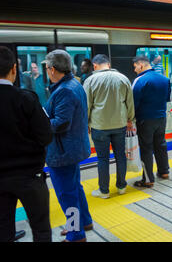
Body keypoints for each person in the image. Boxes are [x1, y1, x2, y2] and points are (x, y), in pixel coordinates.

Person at [0, 46, 53, 242]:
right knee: (40, 228)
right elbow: (46, 136)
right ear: (14, 69)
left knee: (3, 228)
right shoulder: (26, 98)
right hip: (29, 176)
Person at [43, 49, 93, 242]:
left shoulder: (65, 90)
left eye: (47, 68)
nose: (47, 72)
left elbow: (61, 123)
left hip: (63, 153)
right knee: (75, 189)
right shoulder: (74, 84)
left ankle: (75, 234)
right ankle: (85, 221)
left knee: (67, 195)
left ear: (53, 69)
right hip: (71, 149)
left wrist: (39, 121)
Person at [83, 54, 135, 198]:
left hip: (99, 127)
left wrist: (85, 123)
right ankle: (122, 186)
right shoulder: (123, 78)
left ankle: (104, 191)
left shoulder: (90, 80)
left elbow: (86, 105)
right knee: (120, 156)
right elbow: (129, 102)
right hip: (120, 124)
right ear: (109, 64)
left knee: (102, 159)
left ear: (94, 65)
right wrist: (130, 119)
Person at [132, 56, 171, 188]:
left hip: (145, 120)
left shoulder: (140, 80)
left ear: (141, 65)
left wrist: (130, 119)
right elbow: (167, 98)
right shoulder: (165, 79)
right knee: (161, 144)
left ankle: (148, 179)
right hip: (161, 118)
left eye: (135, 67)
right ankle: (164, 172)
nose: (135, 70)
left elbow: (133, 103)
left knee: (146, 148)